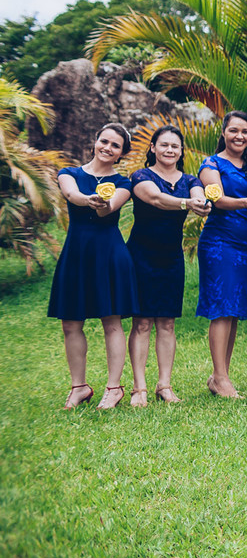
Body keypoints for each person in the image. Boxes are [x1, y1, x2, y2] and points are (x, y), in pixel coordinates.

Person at [49, 123, 138, 410]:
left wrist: (100, 204)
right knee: (70, 322)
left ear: (121, 153)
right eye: (104, 141)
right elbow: (71, 195)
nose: (107, 148)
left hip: (109, 253)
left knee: (111, 321)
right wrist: (88, 199)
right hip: (77, 252)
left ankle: (114, 388)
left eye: (115, 146)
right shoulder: (69, 174)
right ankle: (79, 387)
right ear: (95, 141)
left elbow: (109, 208)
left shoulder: (125, 182)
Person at [126, 125, 209, 406]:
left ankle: (165, 385)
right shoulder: (141, 176)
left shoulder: (190, 179)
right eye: (164, 145)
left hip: (171, 257)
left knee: (168, 322)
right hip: (141, 254)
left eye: (175, 146)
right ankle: (139, 388)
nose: (170, 150)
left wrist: (202, 202)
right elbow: (155, 198)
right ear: (153, 148)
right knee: (142, 322)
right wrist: (188, 202)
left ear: (181, 151)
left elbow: (200, 195)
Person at [197, 111, 247, 398]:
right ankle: (221, 378)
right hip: (220, 242)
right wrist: (244, 201)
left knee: (236, 310)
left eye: (245, 131)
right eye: (234, 131)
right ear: (224, 132)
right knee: (222, 308)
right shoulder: (211, 164)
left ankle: (220, 376)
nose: (239, 136)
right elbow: (215, 197)